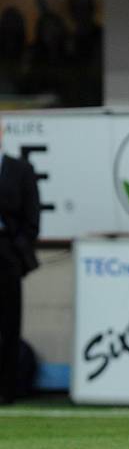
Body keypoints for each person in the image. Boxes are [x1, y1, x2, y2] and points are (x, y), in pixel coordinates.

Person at [0, 120, 40, 405]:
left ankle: (8, 389)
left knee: (9, 321)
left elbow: (32, 217)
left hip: (6, 251)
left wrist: (18, 249)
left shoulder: (20, 169)